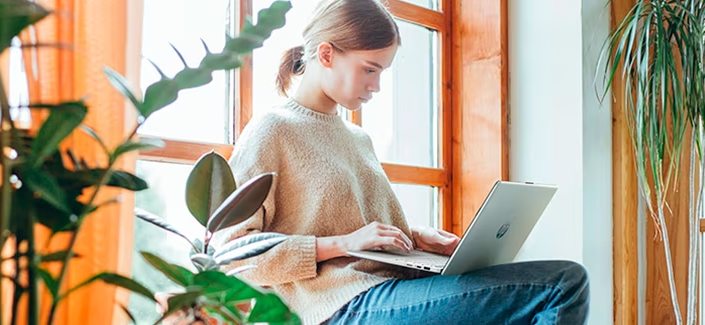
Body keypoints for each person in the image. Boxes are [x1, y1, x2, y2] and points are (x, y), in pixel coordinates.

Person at [212, 0, 590, 324]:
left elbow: (363, 231)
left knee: (543, 289)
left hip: (390, 288)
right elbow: (230, 253)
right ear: (326, 55)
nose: (375, 86)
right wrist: (341, 244)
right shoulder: (272, 130)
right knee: (562, 283)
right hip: (341, 306)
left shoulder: (357, 138)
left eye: (382, 72)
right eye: (369, 69)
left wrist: (414, 235)